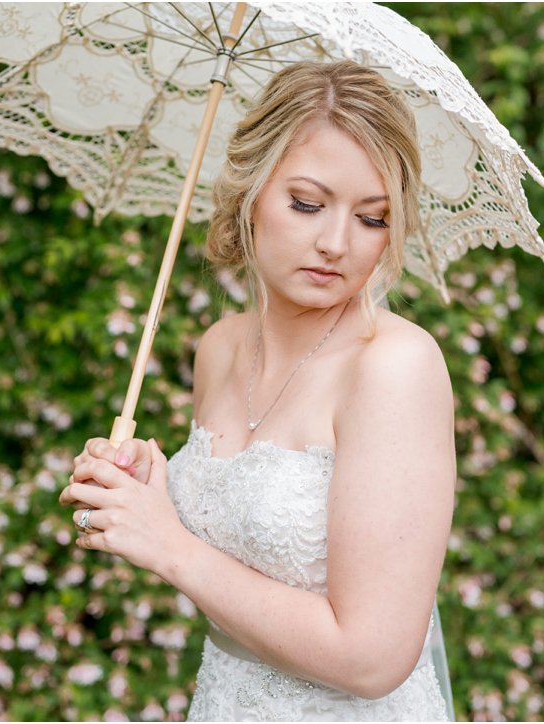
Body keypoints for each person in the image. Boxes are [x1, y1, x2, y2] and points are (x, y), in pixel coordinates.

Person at [59, 60, 456, 721]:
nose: (335, 243)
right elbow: (240, 570)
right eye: (307, 204)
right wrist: (144, 495)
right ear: (247, 190)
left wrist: (171, 546)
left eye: (373, 218)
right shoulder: (220, 348)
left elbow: (373, 659)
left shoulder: (395, 367)